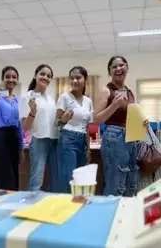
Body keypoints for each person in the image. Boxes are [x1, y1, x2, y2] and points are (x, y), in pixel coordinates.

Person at [94, 56, 149, 196]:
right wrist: (113, 106)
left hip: (131, 137)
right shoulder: (106, 90)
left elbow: (129, 117)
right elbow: (96, 119)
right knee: (116, 185)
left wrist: (142, 122)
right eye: (114, 67)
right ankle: (111, 216)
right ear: (110, 72)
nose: (118, 69)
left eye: (121, 65)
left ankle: (126, 215)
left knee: (131, 183)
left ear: (127, 68)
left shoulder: (129, 92)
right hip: (114, 137)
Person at [20, 64, 60, 192]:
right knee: (37, 178)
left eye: (49, 76)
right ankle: (30, 206)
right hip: (38, 140)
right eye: (42, 74)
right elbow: (25, 127)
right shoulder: (27, 97)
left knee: (53, 177)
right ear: (35, 75)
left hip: (54, 140)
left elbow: (54, 122)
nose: (45, 77)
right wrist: (32, 112)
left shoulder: (51, 99)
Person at [56, 66, 94, 193]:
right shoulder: (65, 97)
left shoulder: (88, 101)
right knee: (69, 178)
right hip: (68, 139)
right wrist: (63, 120)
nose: (75, 81)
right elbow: (56, 123)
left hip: (83, 141)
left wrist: (89, 149)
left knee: (81, 178)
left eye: (78, 78)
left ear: (85, 80)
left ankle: (78, 207)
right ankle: (66, 208)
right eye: (72, 78)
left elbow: (89, 126)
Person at [0, 66, 23, 190]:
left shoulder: (18, 100)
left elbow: (19, 125)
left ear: (17, 80)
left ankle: (13, 204)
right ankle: (1, 204)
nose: (11, 79)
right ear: (3, 79)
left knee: (14, 173)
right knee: (2, 174)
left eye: (14, 77)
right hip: (0, 137)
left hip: (13, 138)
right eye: (7, 77)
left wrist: (21, 147)